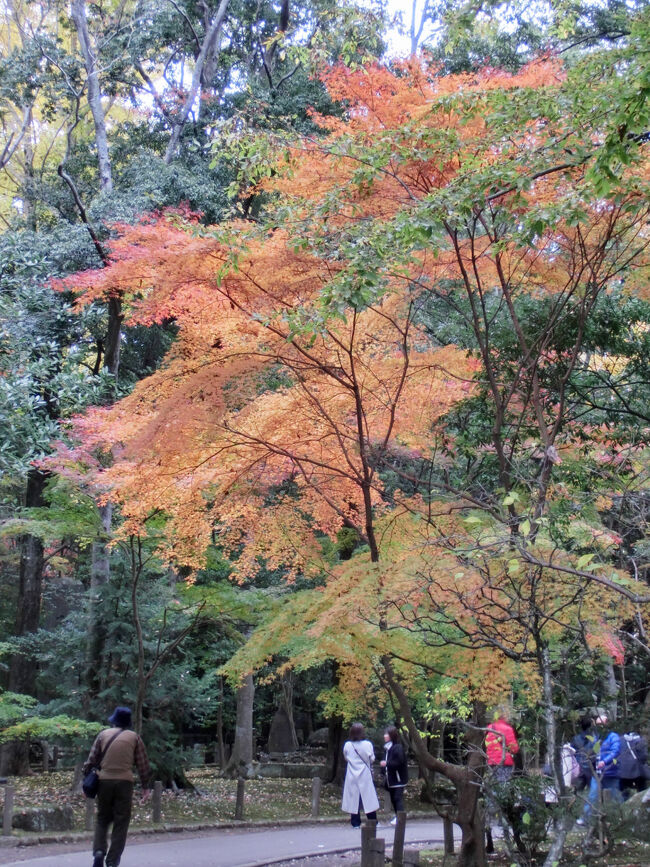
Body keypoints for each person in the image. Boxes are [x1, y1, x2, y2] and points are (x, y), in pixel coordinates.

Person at [83, 706, 151, 867]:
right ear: (128, 723)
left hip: (104, 782)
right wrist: (145, 786)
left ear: (114, 721)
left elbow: (91, 760)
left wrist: (86, 781)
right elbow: (143, 765)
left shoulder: (103, 735)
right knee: (121, 822)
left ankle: (99, 851)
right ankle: (113, 861)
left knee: (102, 819)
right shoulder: (134, 738)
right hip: (125, 783)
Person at [484, 712, 519, 854]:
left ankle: (490, 824)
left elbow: (486, 745)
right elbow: (514, 748)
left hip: (491, 764)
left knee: (492, 793)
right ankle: (503, 820)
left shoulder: (489, 727)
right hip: (505, 764)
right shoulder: (507, 729)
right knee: (504, 793)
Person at [576, 713, 621, 825]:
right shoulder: (597, 737)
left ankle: (620, 819)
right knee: (592, 795)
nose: (599, 726)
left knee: (615, 797)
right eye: (598, 724)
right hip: (598, 773)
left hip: (611, 773)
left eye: (601, 724)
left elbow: (615, 751)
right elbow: (592, 751)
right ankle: (585, 818)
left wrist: (604, 762)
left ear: (607, 724)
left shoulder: (613, 737)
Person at [341, 722, 380, 828]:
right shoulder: (367, 744)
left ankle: (355, 823)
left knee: (353, 799)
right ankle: (373, 821)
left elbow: (346, 757)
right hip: (364, 775)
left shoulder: (348, 745)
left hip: (351, 775)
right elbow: (372, 759)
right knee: (368, 799)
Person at [380, 725, 409, 825]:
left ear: (391, 735)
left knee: (397, 798)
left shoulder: (397, 747)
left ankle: (401, 818)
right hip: (390, 779)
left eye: (386, 734)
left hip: (398, 778)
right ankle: (398, 816)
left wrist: (386, 764)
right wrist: (383, 770)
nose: (384, 736)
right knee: (393, 798)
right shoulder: (387, 748)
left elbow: (399, 762)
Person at [618, 730, 648, 799]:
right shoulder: (639, 740)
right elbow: (643, 756)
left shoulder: (620, 740)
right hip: (637, 770)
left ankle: (625, 804)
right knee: (642, 789)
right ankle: (642, 803)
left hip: (622, 770)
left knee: (624, 791)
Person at [571, 715, 598, 791]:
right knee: (592, 792)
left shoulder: (575, 739)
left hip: (579, 768)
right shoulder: (594, 739)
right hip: (591, 767)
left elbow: (572, 753)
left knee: (578, 790)